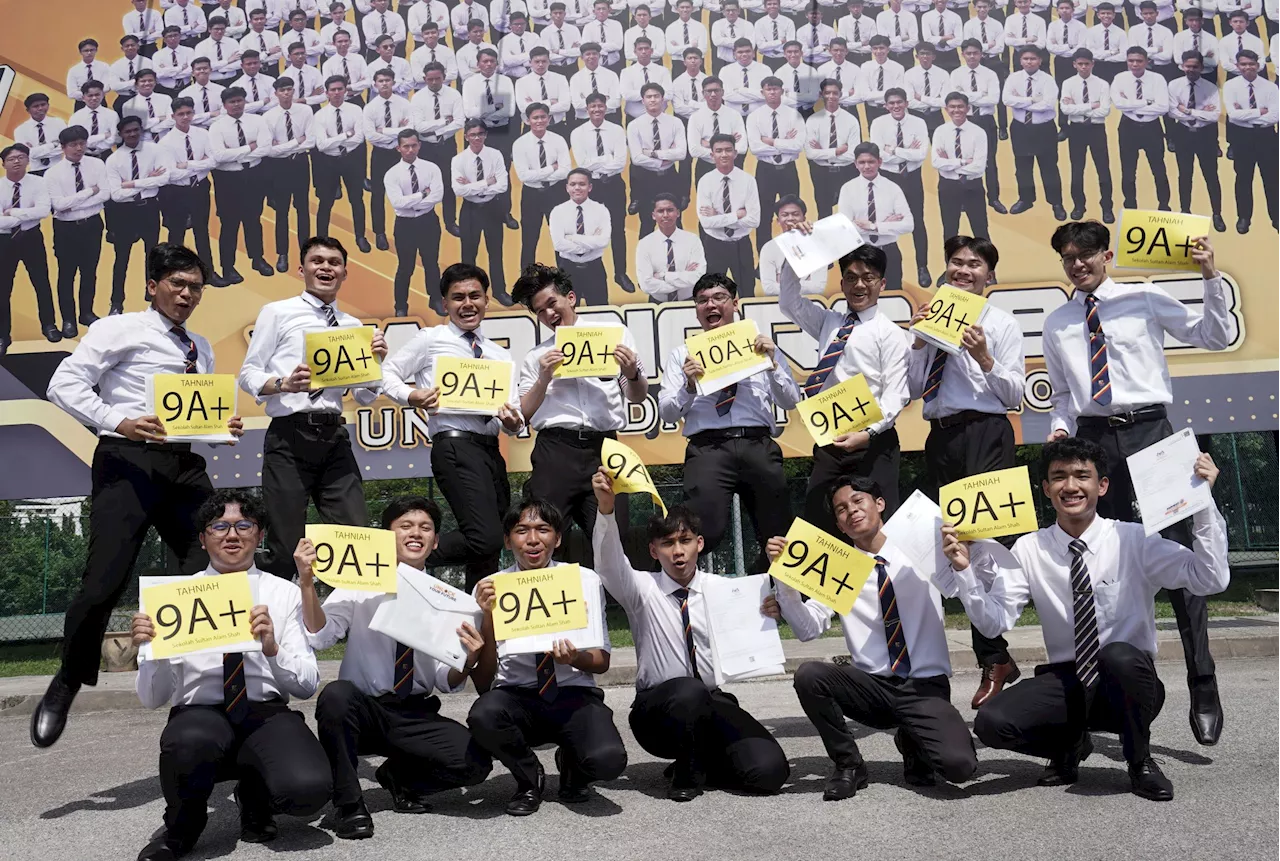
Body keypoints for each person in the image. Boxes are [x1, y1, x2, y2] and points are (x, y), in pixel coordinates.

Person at [34, 244, 243, 748]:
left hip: (185, 465)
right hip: (127, 459)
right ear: (153, 286)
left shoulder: (201, 346)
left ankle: (203, 687)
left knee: (213, 567)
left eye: (196, 287)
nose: (188, 294)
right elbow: (63, 384)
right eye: (178, 284)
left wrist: (223, 428)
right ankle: (68, 678)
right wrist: (119, 420)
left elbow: (196, 417)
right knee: (104, 580)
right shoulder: (118, 328)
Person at [943, 438, 1229, 800]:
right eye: (1059, 477)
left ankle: (1140, 761)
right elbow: (994, 624)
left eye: (1083, 475)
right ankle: (1070, 747)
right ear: (1046, 489)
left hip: (1127, 684)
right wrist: (965, 573)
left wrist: (1203, 505)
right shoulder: (1030, 548)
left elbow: (1211, 578)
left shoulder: (1135, 540)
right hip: (1069, 681)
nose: (1071, 486)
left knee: (1118, 655)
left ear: (1102, 485)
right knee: (992, 723)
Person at [1043, 220, 1228, 747]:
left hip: (1153, 435)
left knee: (1181, 555)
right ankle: (1124, 691)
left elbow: (1211, 336)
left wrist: (1209, 275)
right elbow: (1060, 392)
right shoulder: (1057, 322)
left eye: (1086, 255)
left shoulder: (1145, 298)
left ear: (1107, 254)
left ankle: (1203, 680)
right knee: (1110, 560)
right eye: (1068, 258)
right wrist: (1058, 426)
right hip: (1095, 440)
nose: (1078, 264)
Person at [131, 490, 329, 860]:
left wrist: (272, 648)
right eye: (219, 526)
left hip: (265, 712)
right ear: (204, 539)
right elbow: (151, 699)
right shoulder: (171, 598)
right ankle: (181, 830)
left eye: (244, 524)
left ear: (260, 535)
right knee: (189, 742)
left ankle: (256, 798)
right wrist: (152, 653)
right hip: (200, 713)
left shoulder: (284, 594)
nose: (232, 534)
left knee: (309, 790)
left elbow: (305, 685)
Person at [772, 475, 979, 799]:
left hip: (925, 686)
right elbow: (807, 629)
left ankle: (914, 741)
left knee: (959, 768)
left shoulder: (920, 547)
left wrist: (962, 558)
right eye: (841, 509)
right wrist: (785, 582)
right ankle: (849, 764)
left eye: (858, 501)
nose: (851, 511)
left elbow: (957, 588)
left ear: (879, 504)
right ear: (839, 525)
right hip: (872, 687)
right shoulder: (839, 566)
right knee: (810, 675)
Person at [299, 496, 491, 839]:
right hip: (364, 710)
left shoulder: (449, 601)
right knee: (336, 696)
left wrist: (469, 660)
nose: (415, 533)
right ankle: (349, 806)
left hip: (414, 712)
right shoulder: (359, 585)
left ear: (434, 542)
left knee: (475, 764)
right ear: (387, 536)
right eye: (405, 526)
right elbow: (321, 635)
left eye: (425, 528)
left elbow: (445, 682)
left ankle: (400, 779)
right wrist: (308, 583)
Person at [591, 472, 791, 801]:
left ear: (699, 543)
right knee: (688, 691)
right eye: (668, 544)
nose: (678, 552)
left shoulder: (726, 590)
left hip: (710, 702)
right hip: (657, 714)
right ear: (654, 551)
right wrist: (606, 508)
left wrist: (771, 607)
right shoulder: (642, 589)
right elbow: (609, 563)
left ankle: (705, 760)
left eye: (684, 541)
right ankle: (686, 771)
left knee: (768, 773)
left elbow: (761, 624)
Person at [904, 235, 1026, 708]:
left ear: (989, 276)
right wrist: (917, 341)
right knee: (952, 543)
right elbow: (916, 389)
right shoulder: (932, 320)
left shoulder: (1001, 323)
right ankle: (996, 657)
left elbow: (1014, 393)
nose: (963, 270)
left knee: (981, 541)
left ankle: (993, 657)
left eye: (973, 265)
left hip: (987, 432)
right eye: (955, 262)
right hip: (943, 437)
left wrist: (984, 356)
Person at [238, 236, 387, 579]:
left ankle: (347, 624)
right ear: (301, 269)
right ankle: (277, 625)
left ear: (345, 273)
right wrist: (283, 384)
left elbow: (364, 396)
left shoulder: (353, 328)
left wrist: (376, 362)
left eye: (334, 262)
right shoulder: (277, 312)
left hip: (334, 435)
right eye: (317, 261)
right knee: (285, 546)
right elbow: (248, 374)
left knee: (356, 538)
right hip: (289, 437)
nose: (326, 268)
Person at [465, 498, 626, 814]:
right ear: (508, 539)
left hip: (573, 694)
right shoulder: (490, 588)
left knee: (607, 761)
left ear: (558, 538)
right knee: (484, 714)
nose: (533, 539)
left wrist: (574, 659)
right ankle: (529, 778)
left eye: (543, 529)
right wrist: (488, 619)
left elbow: (601, 661)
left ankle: (573, 764)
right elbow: (484, 684)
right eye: (522, 530)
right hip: (517, 697)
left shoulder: (583, 580)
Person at [382, 263, 524, 590]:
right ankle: (397, 554)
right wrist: (411, 395)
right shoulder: (430, 339)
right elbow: (386, 374)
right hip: (455, 445)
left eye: (475, 296)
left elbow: (514, 416)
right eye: (457, 297)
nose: (467, 304)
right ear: (444, 304)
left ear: (487, 300)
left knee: (491, 547)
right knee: (484, 538)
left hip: (491, 450)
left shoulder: (499, 356)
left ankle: (479, 626)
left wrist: (514, 422)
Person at [657, 272, 800, 567]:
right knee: (700, 533)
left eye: (719, 298)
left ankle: (774, 597)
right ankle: (688, 600)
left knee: (779, 534)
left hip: (757, 443)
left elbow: (790, 400)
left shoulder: (761, 346)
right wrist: (689, 385)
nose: (710, 305)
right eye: (702, 301)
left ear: (735, 303)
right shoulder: (683, 355)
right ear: (696, 308)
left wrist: (772, 364)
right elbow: (667, 412)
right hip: (708, 449)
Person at [43, 127, 109, 335]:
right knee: (66, 275)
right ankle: (68, 320)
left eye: (82, 143)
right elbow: (59, 205)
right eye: (73, 145)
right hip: (66, 229)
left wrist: (75, 204)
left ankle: (86, 313)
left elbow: (106, 194)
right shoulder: (52, 173)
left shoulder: (97, 164)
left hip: (92, 225)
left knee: (90, 272)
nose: (79, 148)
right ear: (63, 148)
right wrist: (89, 192)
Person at [208, 87, 276, 282]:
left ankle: (257, 259)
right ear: (224, 105)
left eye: (239, 100)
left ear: (245, 101)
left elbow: (265, 148)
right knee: (229, 224)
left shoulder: (257, 121)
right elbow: (219, 156)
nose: (236, 104)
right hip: (227, 180)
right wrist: (248, 147)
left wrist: (235, 153)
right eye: (232, 102)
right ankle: (228, 267)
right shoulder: (217, 127)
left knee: (253, 220)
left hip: (253, 176)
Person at [569, 92, 633, 294]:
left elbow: (620, 162)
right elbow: (582, 164)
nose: (597, 109)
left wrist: (598, 163)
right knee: (590, 229)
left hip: (614, 184)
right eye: (592, 106)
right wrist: (607, 160)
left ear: (606, 108)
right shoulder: (577, 133)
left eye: (600, 106)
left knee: (617, 230)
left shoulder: (616, 130)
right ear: (587, 109)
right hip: (591, 187)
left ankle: (620, 273)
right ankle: (589, 272)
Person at [105, 116, 167, 315]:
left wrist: (131, 183)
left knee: (152, 255)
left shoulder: (154, 150)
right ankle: (116, 303)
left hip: (149, 209)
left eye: (135, 130)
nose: (132, 134)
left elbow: (164, 179)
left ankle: (152, 295)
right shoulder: (113, 159)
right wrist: (148, 180)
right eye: (127, 131)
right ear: (121, 134)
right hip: (126, 213)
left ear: (141, 130)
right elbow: (116, 195)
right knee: (121, 258)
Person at [869, 88, 930, 287]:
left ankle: (922, 266)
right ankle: (884, 268)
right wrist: (907, 151)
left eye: (899, 102)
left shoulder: (918, 123)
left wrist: (893, 149)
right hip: (888, 177)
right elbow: (879, 155)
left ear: (906, 103)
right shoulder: (878, 124)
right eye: (891, 103)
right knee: (885, 220)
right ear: (886, 105)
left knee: (917, 222)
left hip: (911, 177)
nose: (896, 106)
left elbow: (921, 154)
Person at [836, 142, 914, 291]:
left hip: (889, 252)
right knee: (861, 296)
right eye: (862, 162)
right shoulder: (847, 189)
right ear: (855, 164)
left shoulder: (893, 188)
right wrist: (887, 226)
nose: (867, 166)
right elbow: (844, 227)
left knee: (893, 296)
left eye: (871, 161)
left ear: (879, 162)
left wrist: (874, 226)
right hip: (859, 251)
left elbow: (908, 224)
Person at [452, 121, 515, 304]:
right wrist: (486, 183)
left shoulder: (495, 155)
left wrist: (471, 186)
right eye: (473, 134)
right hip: (470, 210)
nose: (477, 138)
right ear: (466, 137)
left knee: (495, 253)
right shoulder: (458, 160)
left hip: (491, 208)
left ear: (486, 135)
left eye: (480, 134)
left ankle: (499, 291)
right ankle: (469, 294)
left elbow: (502, 186)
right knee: (469, 255)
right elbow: (459, 191)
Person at [157, 98, 218, 284]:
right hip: (177, 192)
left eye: (188, 113)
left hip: (200, 188)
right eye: (180, 114)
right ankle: (175, 275)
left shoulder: (202, 134)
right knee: (177, 234)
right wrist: (201, 164)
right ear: (173, 116)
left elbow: (214, 161)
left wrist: (188, 164)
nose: (185, 117)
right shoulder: (165, 142)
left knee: (202, 231)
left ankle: (209, 273)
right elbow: (172, 174)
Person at [385, 129, 445, 316]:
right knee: (405, 267)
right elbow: (397, 203)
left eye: (413, 145)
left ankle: (435, 299)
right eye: (406, 146)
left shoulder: (432, 168)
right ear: (398, 148)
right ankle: (400, 306)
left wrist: (414, 203)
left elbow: (437, 196)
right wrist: (422, 194)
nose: (410, 150)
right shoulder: (392, 174)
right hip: (405, 225)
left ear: (419, 145)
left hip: (428, 221)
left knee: (431, 263)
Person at [461, 48, 521, 231]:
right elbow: (469, 113)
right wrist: (496, 107)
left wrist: (483, 108)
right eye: (485, 61)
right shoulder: (470, 83)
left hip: (502, 133)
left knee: (502, 173)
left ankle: (504, 212)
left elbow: (510, 111)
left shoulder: (505, 81)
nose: (488, 65)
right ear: (478, 64)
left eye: (492, 61)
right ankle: (478, 207)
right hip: (478, 131)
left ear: (497, 63)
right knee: (477, 170)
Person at [1003, 45, 1066, 219]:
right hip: (1020, 128)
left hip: (1044, 129)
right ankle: (1026, 199)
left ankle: (1056, 203)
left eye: (1032, 58)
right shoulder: (1013, 78)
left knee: (1049, 167)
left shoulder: (1048, 80)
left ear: (1040, 60)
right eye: (1025, 58)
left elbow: (1047, 104)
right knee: (1022, 167)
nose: (1029, 62)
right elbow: (1006, 99)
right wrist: (1032, 99)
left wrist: (1020, 101)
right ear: (1020, 60)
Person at [262, 75, 315, 274]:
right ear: (275, 93)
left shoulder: (306, 111)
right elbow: (269, 150)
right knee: (282, 211)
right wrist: (295, 143)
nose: (286, 93)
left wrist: (283, 146)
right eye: (282, 90)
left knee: (302, 209)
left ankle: (305, 252)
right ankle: (282, 254)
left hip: (300, 164)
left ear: (294, 91)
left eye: (289, 89)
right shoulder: (268, 117)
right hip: (280, 168)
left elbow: (311, 141)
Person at [314, 76, 373, 252]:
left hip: (351, 160)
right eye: (333, 90)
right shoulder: (319, 116)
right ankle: (321, 239)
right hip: (328, 163)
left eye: (340, 89)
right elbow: (322, 145)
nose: (337, 92)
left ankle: (360, 237)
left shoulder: (356, 110)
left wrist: (336, 140)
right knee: (325, 202)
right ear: (326, 93)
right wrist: (345, 136)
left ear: (345, 90)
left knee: (357, 200)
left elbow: (359, 138)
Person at [1224, 50, 1280, 234]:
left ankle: (1276, 217)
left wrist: (1245, 115)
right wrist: (1259, 112)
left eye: (1251, 64)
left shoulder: (1271, 87)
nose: (1247, 67)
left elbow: (1274, 117)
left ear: (1258, 65)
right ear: (1238, 66)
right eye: (1243, 64)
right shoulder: (1230, 86)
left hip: (1266, 138)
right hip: (1242, 138)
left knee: (1272, 180)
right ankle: (1244, 217)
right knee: (1243, 179)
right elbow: (1233, 116)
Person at [746, 77, 804, 254]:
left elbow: (798, 145)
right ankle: (764, 257)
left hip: (788, 170)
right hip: (765, 171)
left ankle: (794, 254)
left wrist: (770, 141)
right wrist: (785, 142)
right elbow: (756, 148)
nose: (772, 92)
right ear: (762, 92)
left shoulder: (794, 115)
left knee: (793, 215)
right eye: (768, 89)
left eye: (776, 89)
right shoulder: (754, 117)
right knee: (763, 216)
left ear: (782, 91)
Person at [1168, 51, 1225, 232]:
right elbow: (1171, 111)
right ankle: (1185, 212)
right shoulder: (1174, 85)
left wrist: (1188, 111)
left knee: (1211, 176)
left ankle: (1217, 214)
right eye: (1188, 66)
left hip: (1205, 136)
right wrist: (1200, 112)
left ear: (1201, 67)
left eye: (1195, 66)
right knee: (1185, 175)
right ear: (1182, 66)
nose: (1191, 70)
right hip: (1183, 134)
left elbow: (1214, 115)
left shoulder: (1211, 88)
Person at [696, 133, 759, 293]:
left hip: (741, 244)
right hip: (715, 244)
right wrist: (736, 215)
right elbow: (706, 223)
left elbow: (754, 220)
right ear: (712, 155)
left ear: (735, 153)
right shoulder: (705, 181)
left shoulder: (748, 180)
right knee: (714, 293)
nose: (724, 154)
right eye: (719, 151)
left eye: (728, 150)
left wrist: (718, 215)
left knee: (747, 292)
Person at [1112, 47, 1171, 211]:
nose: (1135, 64)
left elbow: (1163, 107)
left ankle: (1164, 204)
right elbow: (1118, 104)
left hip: (1152, 128)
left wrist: (1130, 105)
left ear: (1146, 62)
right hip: (1128, 127)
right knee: (1128, 171)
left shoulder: (1157, 79)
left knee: (1159, 170)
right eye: (1131, 61)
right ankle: (1130, 204)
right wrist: (1147, 102)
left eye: (1139, 61)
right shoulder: (1119, 78)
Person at [513, 103, 571, 266]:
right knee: (529, 241)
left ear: (549, 119)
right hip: (531, 195)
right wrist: (551, 168)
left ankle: (563, 281)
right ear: (528, 120)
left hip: (556, 193)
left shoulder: (559, 140)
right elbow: (524, 176)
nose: (539, 121)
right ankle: (526, 284)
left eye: (543, 117)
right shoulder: (519, 144)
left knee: (561, 239)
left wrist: (538, 174)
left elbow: (566, 171)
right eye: (535, 117)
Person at [1060, 48, 1114, 223]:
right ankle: (1078, 205)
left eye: (1087, 64)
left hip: (1096, 130)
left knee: (1103, 169)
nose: (1083, 67)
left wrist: (1078, 106)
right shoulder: (1067, 83)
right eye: (1080, 64)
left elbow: (1105, 111)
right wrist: (1092, 105)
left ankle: (1107, 207)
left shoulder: (1103, 84)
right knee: (1077, 170)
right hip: (1076, 130)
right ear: (1074, 64)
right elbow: (1065, 109)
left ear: (1093, 64)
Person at [951, 43, 1005, 217]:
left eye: (975, 53)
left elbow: (994, 99)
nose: (972, 56)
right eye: (968, 53)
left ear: (981, 54)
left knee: (989, 161)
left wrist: (967, 97)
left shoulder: (990, 74)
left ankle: (994, 198)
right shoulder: (956, 74)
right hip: (964, 121)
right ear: (962, 54)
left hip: (985, 120)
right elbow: (956, 101)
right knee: (964, 160)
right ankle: (965, 200)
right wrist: (980, 95)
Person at [411, 62, 464, 239]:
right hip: (426, 148)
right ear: (424, 79)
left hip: (447, 145)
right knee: (426, 185)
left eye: (437, 78)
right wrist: (443, 122)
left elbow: (459, 122)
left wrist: (434, 129)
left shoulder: (454, 94)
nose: (434, 82)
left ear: (444, 77)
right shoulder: (417, 98)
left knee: (448, 185)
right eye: (430, 79)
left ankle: (450, 221)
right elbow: (419, 127)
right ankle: (427, 220)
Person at [364, 67, 414, 252]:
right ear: (375, 85)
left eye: (387, 80)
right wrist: (397, 134)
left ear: (393, 82)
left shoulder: (404, 104)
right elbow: (370, 136)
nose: (384, 83)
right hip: (380, 154)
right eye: (380, 81)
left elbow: (410, 130)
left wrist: (383, 130)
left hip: (401, 154)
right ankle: (380, 233)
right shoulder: (370, 108)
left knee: (407, 191)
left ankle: (407, 230)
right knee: (378, 194)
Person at [629, 83, 688, 237]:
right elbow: (636, 158)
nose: (653, 100)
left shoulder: (676, 123)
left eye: (656, 96)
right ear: (643, 101)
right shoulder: (634, 125)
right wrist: (666, 157)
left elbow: (681, 154)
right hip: (645, 179)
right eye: (649, 97)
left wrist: (653, 154)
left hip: (669, 178)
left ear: (663, 99)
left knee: (675, 223)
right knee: (646, 224)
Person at [932, 92, 990, 246]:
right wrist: (963, 162)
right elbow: (937, 162)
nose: (956, 110)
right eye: (952, 107)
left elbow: (978, 167)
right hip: (948, 186)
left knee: (981, 230)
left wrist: (950, 164)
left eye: (960, 106)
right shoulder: (940, 131)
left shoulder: (978, 132)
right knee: (950, 230)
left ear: (967, 108)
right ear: (946, 109)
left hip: (972, 186)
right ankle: (950, 267)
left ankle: (986, 268)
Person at [635, 192, 707, 302]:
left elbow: (698, 277)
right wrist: (683, 277)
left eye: (670, 210)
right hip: (658, 303)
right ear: (653, 215)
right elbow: (645, 284)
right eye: (660, 211)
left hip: (689, 301)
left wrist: (663, 276)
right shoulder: (644, 244)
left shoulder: (693, 240)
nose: (665, 215)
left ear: (678, 213)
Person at [805, 78, 861, 219]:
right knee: (824, 215)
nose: (831, 96)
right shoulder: (813, 120)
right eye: (827, 93)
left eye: (835, 93)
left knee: (849, 214)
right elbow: (811, 153)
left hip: (846, 172)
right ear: (821, 95)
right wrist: (837, 151)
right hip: (822, 173)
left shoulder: (851, 120)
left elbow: (853, 155)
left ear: (840, 94)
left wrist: (822, 151)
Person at [759, 196, 823, 296]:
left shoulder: (817, 246)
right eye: (785, 215)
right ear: (778, 220)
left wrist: (782, 281)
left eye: (795, 214)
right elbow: (769, 289)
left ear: (804, 218)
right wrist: (805, 281)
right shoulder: (769, 248)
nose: (790, 218)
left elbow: (818, 287)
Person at [16, 93, 66, 177]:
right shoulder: (20, 130)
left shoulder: (59, 123)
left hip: (58, 167)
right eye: (35, 106)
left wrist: (37, 150)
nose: (40, 108)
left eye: (43, 104)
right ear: (28, 110)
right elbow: (28, 154)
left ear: (48, 105)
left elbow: (65, 147)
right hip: (35, 171)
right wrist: (53, 145)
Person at [1085, 3, 1128, 83]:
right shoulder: (1091, 32)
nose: (1106, 16)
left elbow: (1124, 55)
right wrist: (1112, 53)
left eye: (1109, 13)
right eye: (1103, 13)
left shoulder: (1121, 33)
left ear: (1114, 15)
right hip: (1097, 67)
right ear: (1098, 15)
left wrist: (1105, 58)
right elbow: (1090, 53)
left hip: (1117, 66)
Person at [67, 39, 112, 110]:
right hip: (81, 104)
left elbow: (107, 86)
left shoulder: (104, 66)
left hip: (100, 102)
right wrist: (88, 96)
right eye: (86, 50)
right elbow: (71, 93)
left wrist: (95, 95)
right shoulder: (74, 70)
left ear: (96, 50)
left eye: (92, 50)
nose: (89, 53)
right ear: (80, 52)